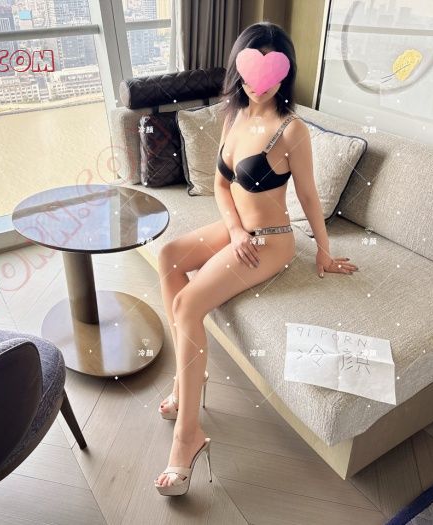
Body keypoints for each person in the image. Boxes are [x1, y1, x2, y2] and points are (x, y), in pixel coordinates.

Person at [153, 21, 359, 496]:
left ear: (284, 74)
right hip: (239, 232)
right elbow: (221, 184)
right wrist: (233, 229)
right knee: (169, 257)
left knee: (188, 304)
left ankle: (188, 436)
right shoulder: (235, 116)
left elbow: (309, 197)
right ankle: (189, 381)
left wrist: (324, 252)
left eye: (268, 73)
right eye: (248, 72)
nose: (257, 84)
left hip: (271, 241)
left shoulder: (292, 130)